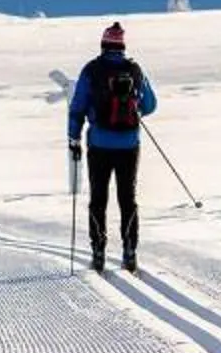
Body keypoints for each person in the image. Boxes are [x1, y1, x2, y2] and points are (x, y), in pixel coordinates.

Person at [67, 22, 157, 273]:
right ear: (123, 45)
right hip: (129, 144)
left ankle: (98, 250)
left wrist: (73, 138)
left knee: (98, 198)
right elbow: (150, 105)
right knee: (127, 198)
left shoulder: (92, 70)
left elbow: (78, 108)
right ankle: (130, 251)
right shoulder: (135, 70)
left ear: (103, 44)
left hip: (99, 144)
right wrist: (133, 107)